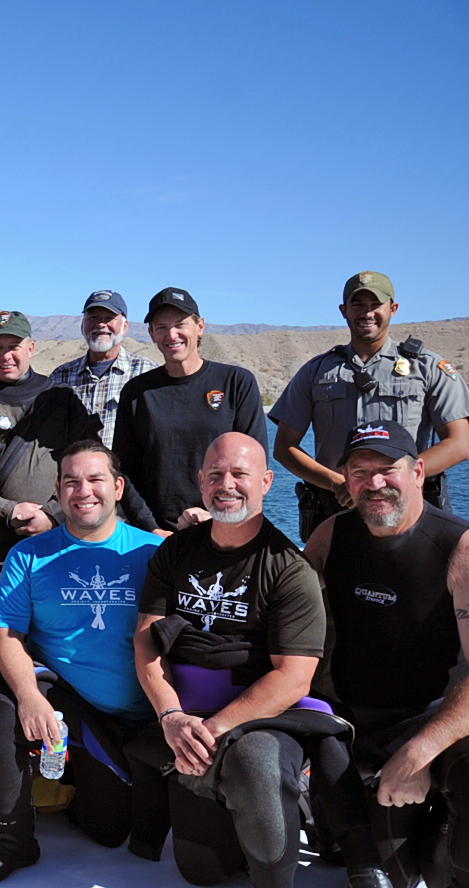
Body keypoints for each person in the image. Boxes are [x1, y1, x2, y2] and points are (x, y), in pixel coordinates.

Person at [130, 432, 384, 888]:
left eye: (240, 474)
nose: (226, 484)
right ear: (200, 481)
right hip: (186, 716)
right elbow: (147, 640)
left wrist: (210, 731)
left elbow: (292, 679)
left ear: (266, 481)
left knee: (256, 761)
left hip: (260, 718)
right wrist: (171, 716)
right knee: (202, 873)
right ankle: (277, 801)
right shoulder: (175, 552)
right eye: (215, 474)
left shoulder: (288, 568)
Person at [0, 440, 162, 883]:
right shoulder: (29, 555)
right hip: (69, 700)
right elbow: (6, 635)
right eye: (71, 481)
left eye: (95, 480)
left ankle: (73, 780)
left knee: (109, 832)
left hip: (139, 716)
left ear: (118, 486)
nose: (83, 491)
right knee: (1, 708)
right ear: (58, 489)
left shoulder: (152, 553)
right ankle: (15, 840)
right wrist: (29, 695)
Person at [305, 421, 469, 888]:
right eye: (360, 471)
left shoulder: (460, 547)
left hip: (443, 723)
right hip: (366, 730)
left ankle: (447, 817)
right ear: (346, 481)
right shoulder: (331, 536)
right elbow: (273, 596)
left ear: (418, 472)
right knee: (390, 874)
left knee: (447, 871)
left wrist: (420, 751)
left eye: (387, 468)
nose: (374, 482)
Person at [0, 309, 102, 640]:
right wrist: (7, 510)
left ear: (31, 347)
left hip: (55, 543)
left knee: (56, 636)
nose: (6, 355)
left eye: (14, 345)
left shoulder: (60, 400)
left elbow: (92, 464)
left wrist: (53, 513)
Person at [271, 270, 469, 540]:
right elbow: (284, 447)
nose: (367, 313)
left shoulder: (427, 368)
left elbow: (460, 442)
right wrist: (338, 482)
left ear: (393, 308)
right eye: (357, 305)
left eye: (375, 305)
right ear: (344, 310)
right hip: (337, 511)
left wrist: (401, 478)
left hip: (408, 516)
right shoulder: (315, 372)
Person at [113, 288, 267, 532]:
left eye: (180, 324)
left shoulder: (237, 383)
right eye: (161, 327)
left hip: (223, 527)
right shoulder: (137, 393)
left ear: (200, 326)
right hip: (156, 535)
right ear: (151, 334)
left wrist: (214, 517)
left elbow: (253, 465)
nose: (172, 335)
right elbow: (125, 470)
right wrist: (151, 528)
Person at [48, 290, 160, 449]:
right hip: (75, 472)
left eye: (109, 318)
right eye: (93, 318)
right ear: (82, 325)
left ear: (125, 326)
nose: (101, 324)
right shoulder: (61, 376)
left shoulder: (146, 372)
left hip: (126, 472)